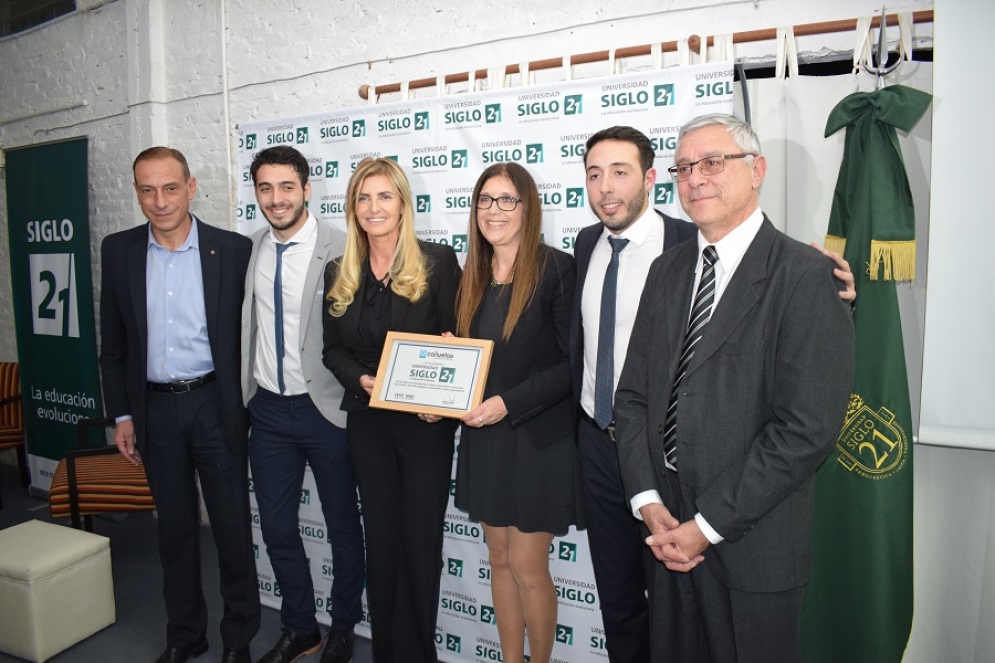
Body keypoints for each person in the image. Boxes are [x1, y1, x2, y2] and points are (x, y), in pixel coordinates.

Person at [570, 125, 856, 663]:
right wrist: (647, 501)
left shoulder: (805, 276)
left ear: (757, 169)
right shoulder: (668, 271)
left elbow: (805, 431)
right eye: (684, 168)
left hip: (751, 542)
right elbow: (632, 398)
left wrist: (705, 527)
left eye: (713, 163)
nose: (695, 178)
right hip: (669, 533)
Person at [99, 147, 259, 663]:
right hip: (154, 412)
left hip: (215, 405)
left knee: (232, 531)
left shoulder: (232, 250)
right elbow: (114, 344)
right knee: (174, 533)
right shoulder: (118, 250)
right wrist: (122, 415)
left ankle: (238, 640)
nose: (159, 200)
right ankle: (185, 635)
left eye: (170, 188)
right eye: (147, 189)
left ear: (191, 187)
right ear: (136, 192)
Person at [322, 157, 461, 663]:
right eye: (363, 197)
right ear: (352, 207)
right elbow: (331, 350)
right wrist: (363, 379)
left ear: (403, 203)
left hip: (424, 426)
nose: (373, 207)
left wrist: (439, 404)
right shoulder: (340, 271)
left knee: (420, 543)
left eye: (384, 196)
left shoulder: (439, 263)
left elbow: (458, 341)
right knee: (380, 539)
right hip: (368, 422)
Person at [453, 163, 583, 663]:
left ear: (527, 208)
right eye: (485, 200)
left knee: (529, 565)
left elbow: (571, 365)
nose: (494, 210)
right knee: (499, 560)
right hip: (486, 438)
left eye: (507, 200)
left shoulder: (556, 269)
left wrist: (508, 402)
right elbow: (472, 355)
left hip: (537, 439)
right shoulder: (473, 275)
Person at [241, 146, 364, 663]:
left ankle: (341, 627)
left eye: (286, 187)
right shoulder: (246, 250)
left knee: (341, 526)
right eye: (265, 188)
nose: (276, 198)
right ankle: (299, 626)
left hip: (328, 411)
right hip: (267, 411)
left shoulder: (343, 247)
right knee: (275, 527)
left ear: (307, 189)